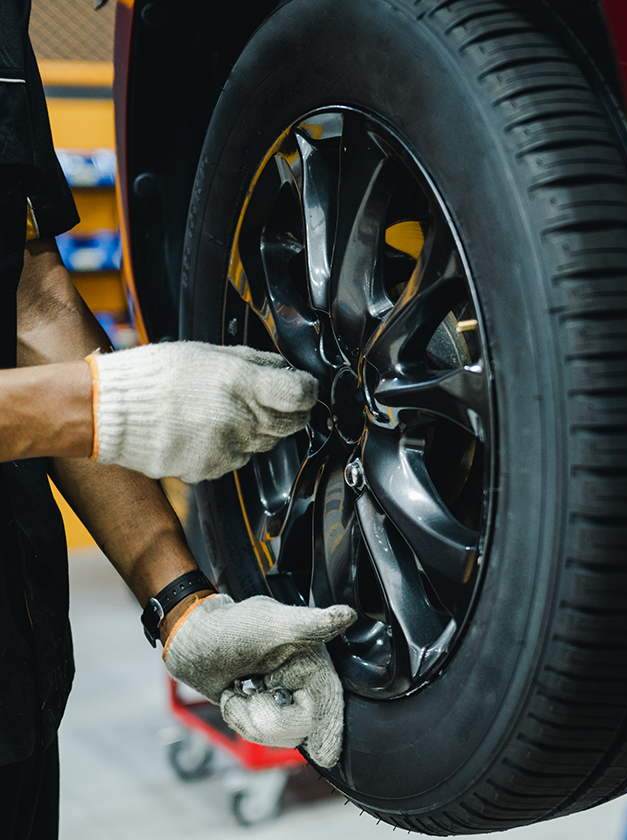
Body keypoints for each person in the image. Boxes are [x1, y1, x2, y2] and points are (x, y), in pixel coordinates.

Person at [1, 2, 354, 837]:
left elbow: (36, 300)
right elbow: (68, 392)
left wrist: (183, 603)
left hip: (15, 684)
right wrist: (98, 406)